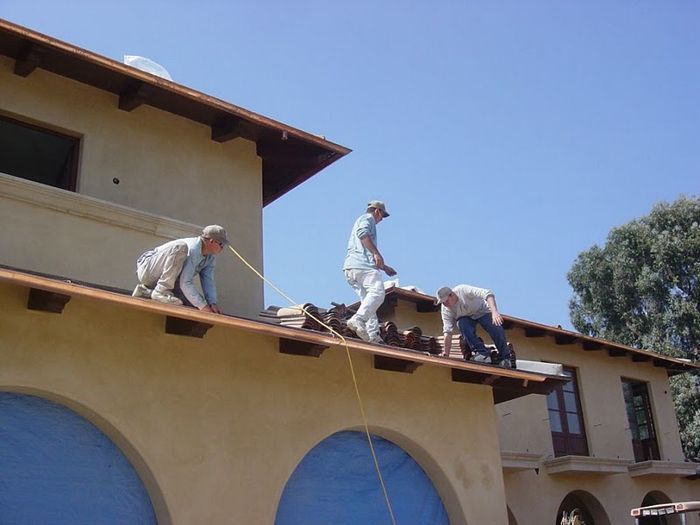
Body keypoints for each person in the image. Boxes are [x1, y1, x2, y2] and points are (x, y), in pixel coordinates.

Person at [132, 225, 228, 313]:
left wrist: (212, 303)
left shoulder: (210, 257)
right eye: (221, 244)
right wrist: (203, 306)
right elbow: (185, 282)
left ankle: (145, 292)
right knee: (180, 247)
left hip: (168, 280)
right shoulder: (193, 249)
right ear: (212, 241)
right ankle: (160, 291)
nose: (222, 248)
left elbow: (208, 281)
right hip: (148, 271)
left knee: (189, 304)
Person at [343, 200, 397, 343]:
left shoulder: (362, 220)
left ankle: (373, 335)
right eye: (382, 216)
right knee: (378, 293)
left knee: (369, 301)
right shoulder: (368, 218)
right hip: (362, 266)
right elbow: (363, 235)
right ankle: (358, 320)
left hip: (352, 268)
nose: (381, 220)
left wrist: (385, 268)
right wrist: (377, 254)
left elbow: (365, 248)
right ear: (377, 211)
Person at [435, 284, 513, 367]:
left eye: (446, 301)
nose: (445, 304)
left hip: (482, 312)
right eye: (443, 303)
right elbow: (447, 331)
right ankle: (482, 354)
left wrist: (494, 312)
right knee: (462, 324)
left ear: (452, 294)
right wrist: (446, 353)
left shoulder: (463, 290)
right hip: (467, 318)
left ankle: (505, 358)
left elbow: (488, 294)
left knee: (496, 327)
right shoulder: (446, 310)